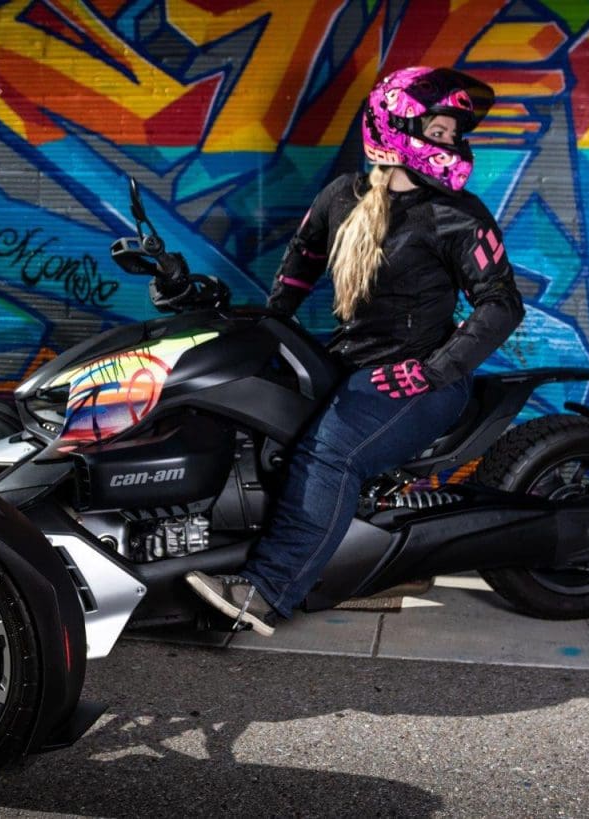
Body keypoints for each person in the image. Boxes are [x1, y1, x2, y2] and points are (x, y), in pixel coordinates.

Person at [186, 66, 525, 636]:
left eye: (451, 134)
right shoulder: (341, 196)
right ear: (394, 126)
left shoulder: (458, 214)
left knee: (331, 452)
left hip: (416, 378)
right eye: (438, 131)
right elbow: (303, 258)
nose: (450, 142)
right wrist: (269, 327)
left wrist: (434, 370)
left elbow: (501, 305)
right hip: (349, 358)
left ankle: (265, 593)